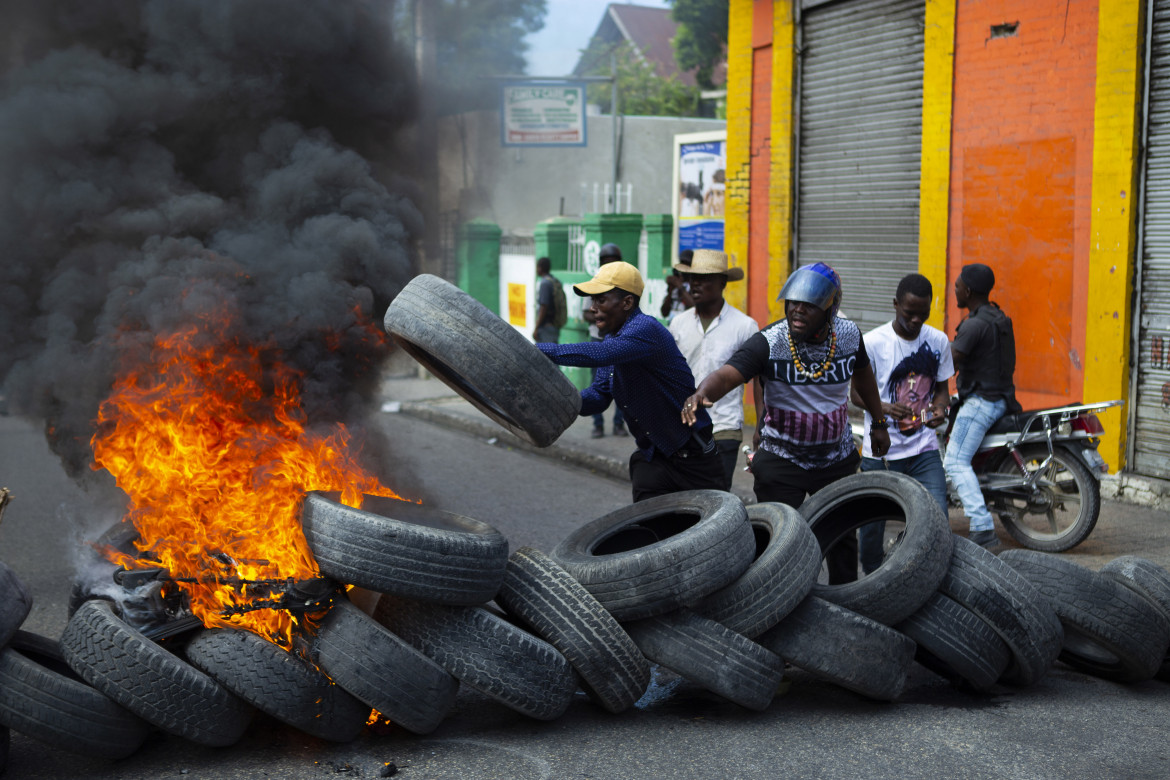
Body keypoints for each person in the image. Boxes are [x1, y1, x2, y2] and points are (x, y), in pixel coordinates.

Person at [681, 262, 890, 584]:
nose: (797, 310)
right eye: (792, 303)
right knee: (775, 540)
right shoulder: (770, 341)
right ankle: (776, 597)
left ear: (830, 308)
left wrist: (879, 422)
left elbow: (864, 377)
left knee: (842, 540)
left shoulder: (848, 336)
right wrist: (701, 394)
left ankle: (845, 604)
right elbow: (728, 374)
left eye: (808, 305)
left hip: (835, 459)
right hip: (782, 458)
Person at [538, 261, 725, 502]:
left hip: (693, 457)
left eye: (601, 300)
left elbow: (600, 354)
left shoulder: (645, 329)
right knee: (648, 522)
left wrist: (535, 351)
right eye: (593, 301)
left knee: (713, 524)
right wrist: (557, 398)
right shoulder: (613, 341)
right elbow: (598, 397)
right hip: (653, 457)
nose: (593, 308)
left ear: (627, 302)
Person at [852, 273, 954, 573]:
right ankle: (872, 578)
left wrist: (940, 408)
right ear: (895, 304)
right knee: (872, 526)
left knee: (938, 517)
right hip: (881, 453)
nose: (916, 320)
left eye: (923, 314)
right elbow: (855, 395)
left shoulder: (938, 341)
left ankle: (931, 575)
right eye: (909, 313)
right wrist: (883, 408)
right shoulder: (872, 342)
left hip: (924, 450)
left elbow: (943, 391)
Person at [668, 249, 758, 491]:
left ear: (722, 283)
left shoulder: (745, 326)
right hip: (683, 427)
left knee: (717, 498)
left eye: (704, 278)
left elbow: (760, 380)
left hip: (724, 427)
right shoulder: (679, 324)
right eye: (692, 278)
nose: (695, 284)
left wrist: (761, 427)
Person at [944, 263, 1019, 549]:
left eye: (957, 286)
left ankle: (982, 526)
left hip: (981, 402)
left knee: (955, 461)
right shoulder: (998, 316)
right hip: (1000, 398)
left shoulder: (974, 325)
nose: (955, 290)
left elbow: (948, 361)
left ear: (968, 290)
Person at [583, 243, 627, 438]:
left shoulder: (625, 286)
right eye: (606, 262)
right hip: (598, 339)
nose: (610, 266)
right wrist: (605, 318)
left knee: (622, 382)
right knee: (597, 384)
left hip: (619, 340)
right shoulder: (594, 283)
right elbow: (586, 313)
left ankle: (619, 423)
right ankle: (598, 424)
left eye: (614, 262)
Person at [660, 249, 695, 322]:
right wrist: (670, 291)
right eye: (682, 263)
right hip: (673, 324)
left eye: (687, 264)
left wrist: (680, 287)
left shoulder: (695, 284)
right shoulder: (676, 283)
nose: (684, 267)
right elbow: (664, 313)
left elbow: (694, 308)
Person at [532, 257, 560, 344]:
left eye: (537, 267)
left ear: (540, 268)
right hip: (554, 326)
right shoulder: (554, 281)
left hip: (546, 328)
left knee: (543, 352)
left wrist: (536, 327)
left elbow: (544, 307)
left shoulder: (545, 283)